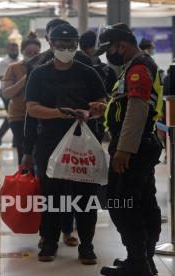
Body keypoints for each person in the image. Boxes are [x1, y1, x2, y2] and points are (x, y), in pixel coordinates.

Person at [25, 24, 107, 264]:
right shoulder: (39, 74)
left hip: (83, 143)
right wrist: (59, 113)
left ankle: (87, 246)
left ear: (76, 45)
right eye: (60, 46)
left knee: (84, 197)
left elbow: (101, 103)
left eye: (70, 45)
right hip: (49, 142)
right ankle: (49, 243)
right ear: (51, 46)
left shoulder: (88, 72)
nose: (65, 49)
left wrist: (89, 112)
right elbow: (31, 108)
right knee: (52, 196)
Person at [95, 23, 163, 276]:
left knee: (120, 202)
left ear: (121, 46)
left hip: (133, 148)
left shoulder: (138, 69)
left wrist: (124, 150)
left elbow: (137, 110)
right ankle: (145, 259)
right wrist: (104, 109)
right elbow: (128, 105)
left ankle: (138, 263)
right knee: (143, 202)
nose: (108, 54)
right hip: (143, 144)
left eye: (110, 49)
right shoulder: (137, 66)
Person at [2, 33, 41, 167]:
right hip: (19, 116)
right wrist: (26, 78)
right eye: (29, 52)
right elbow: (7, 93)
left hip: (40, 114)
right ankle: (25, 181)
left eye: (36, 52)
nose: (32, 55)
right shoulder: (13, 68)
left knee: (40, 151)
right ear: (23, 52)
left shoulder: (45, 67)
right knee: (24, 151)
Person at [0, 43, 20, 146]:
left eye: (15, 49)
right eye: (11, 49)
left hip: (20, 91)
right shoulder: (3, 63)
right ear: (7, 50)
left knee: (17, 115)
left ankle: (15, 139)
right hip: (7, 92)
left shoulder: (21, 61)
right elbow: (2, 78)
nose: (14, 51)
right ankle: (0, 134)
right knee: (12, 115)